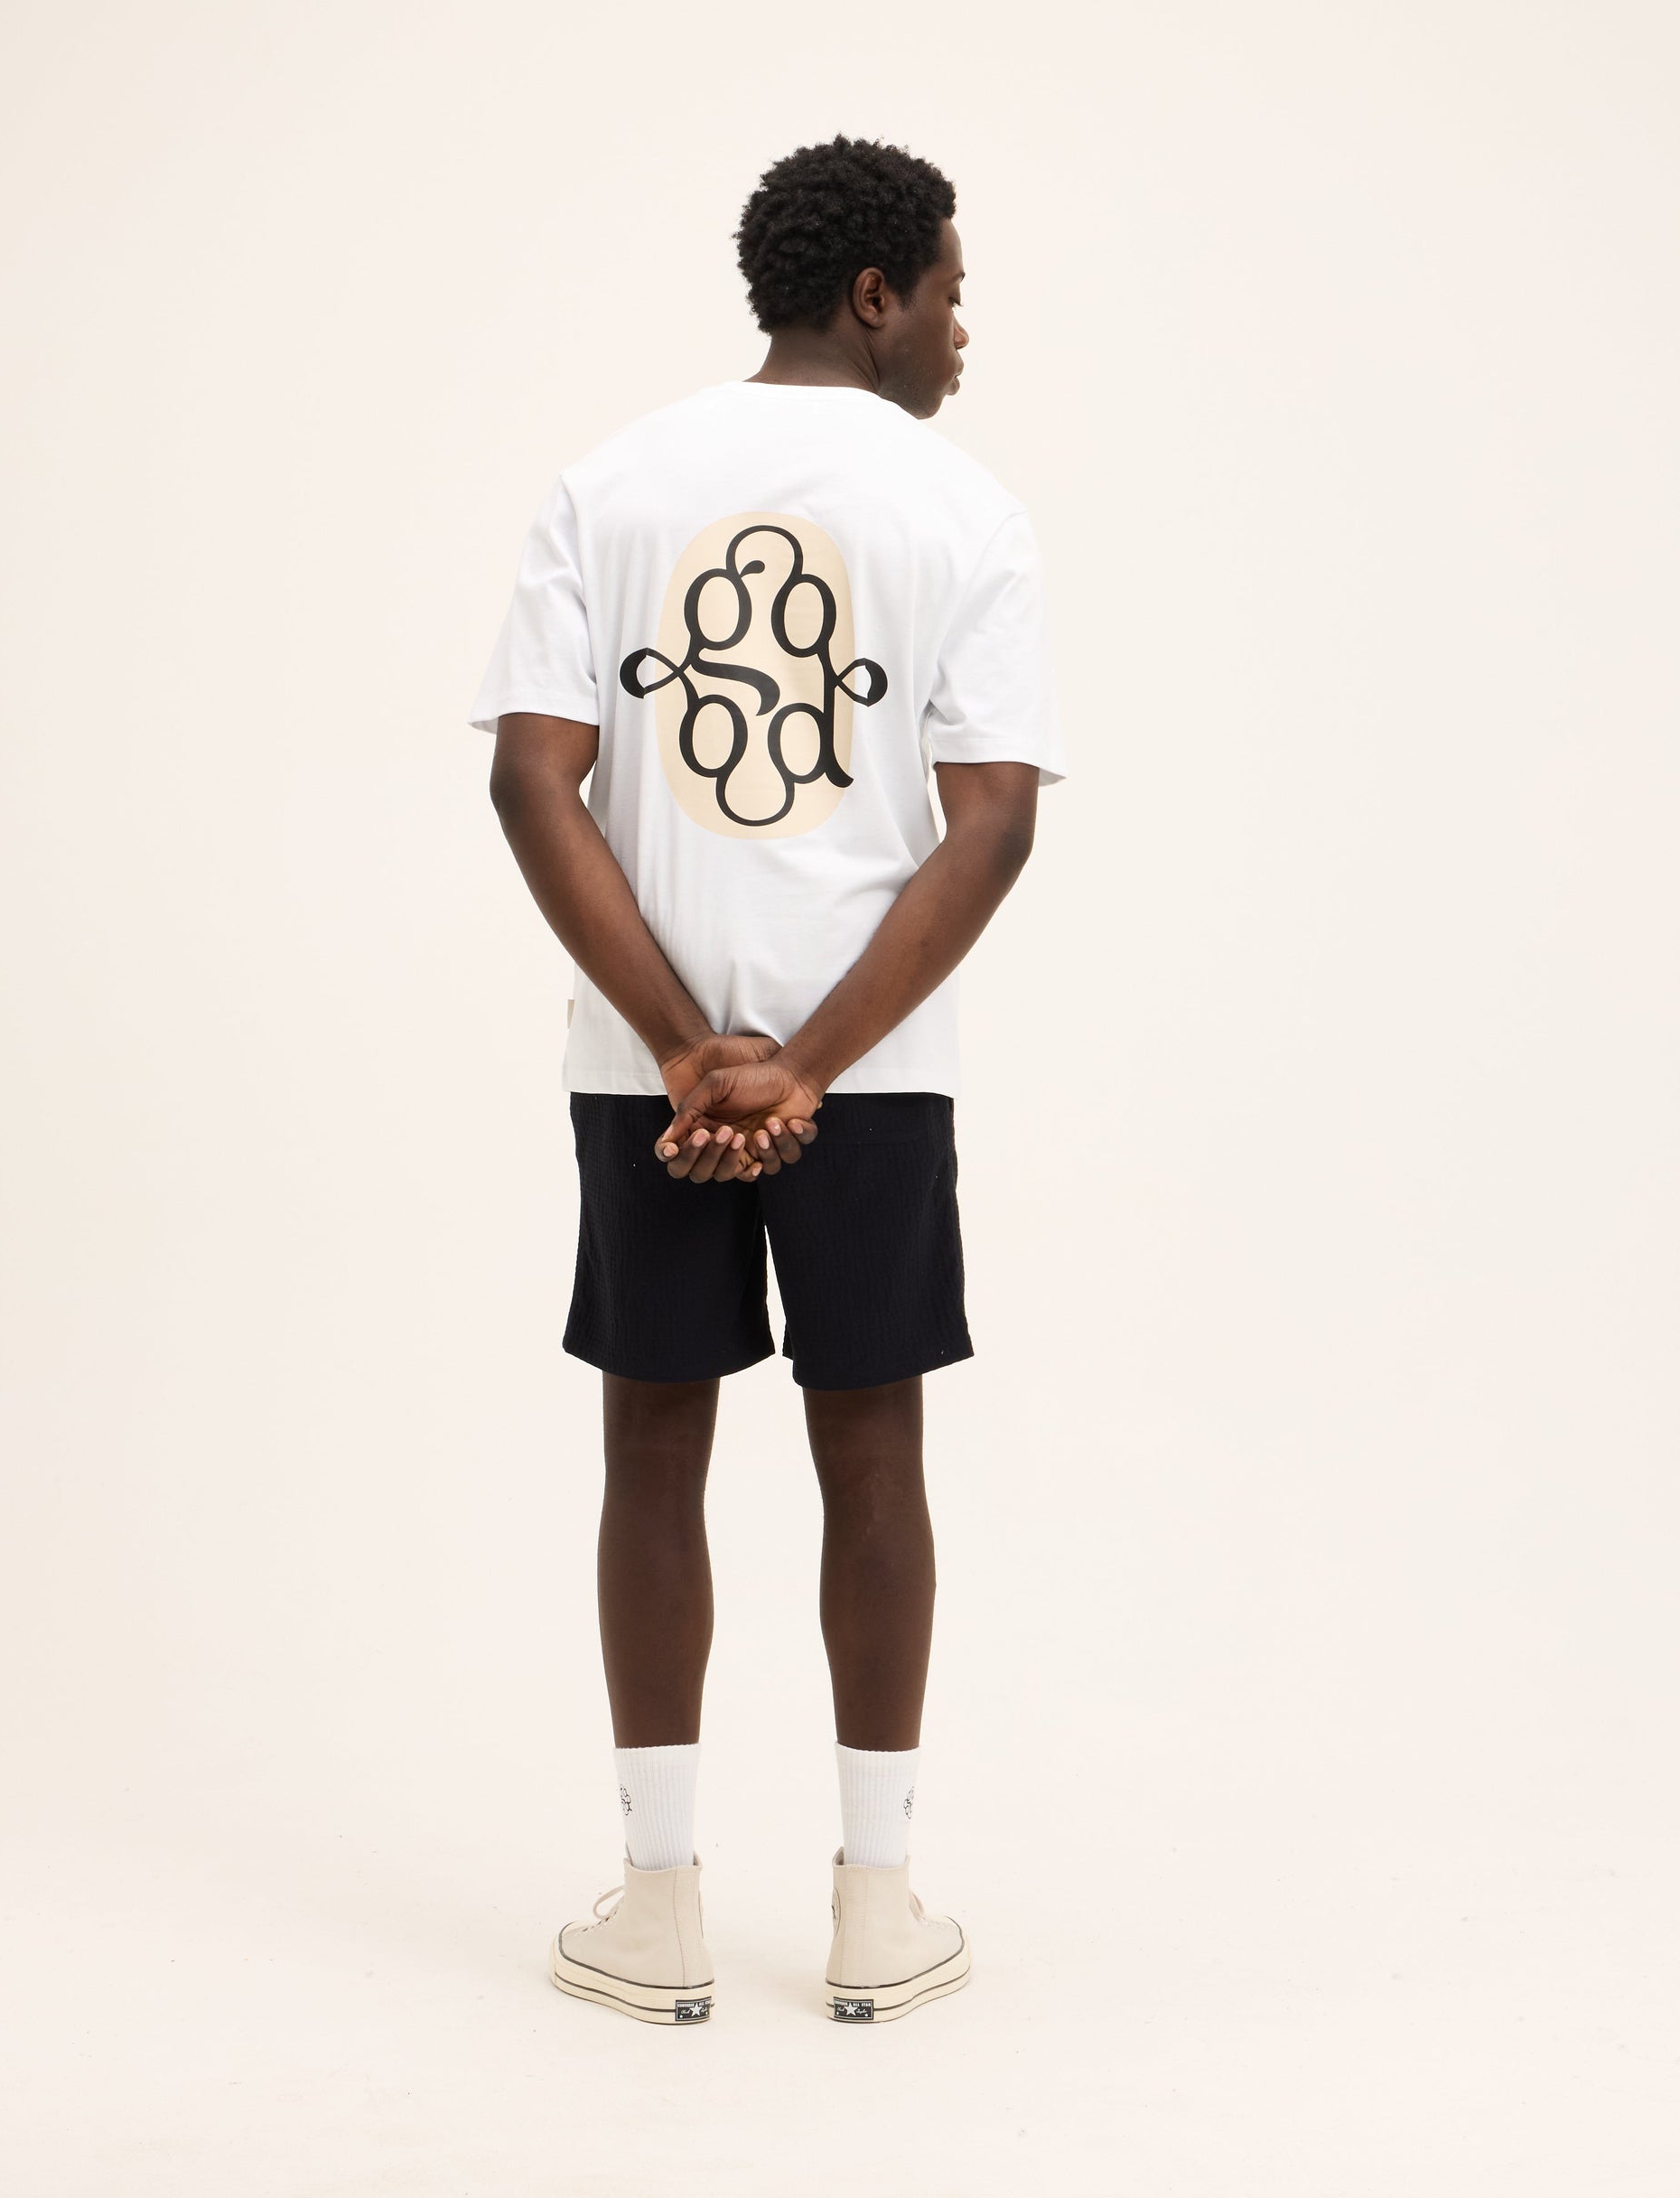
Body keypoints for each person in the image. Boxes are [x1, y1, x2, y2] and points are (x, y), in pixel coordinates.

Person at [467, 134, 1066, 2025]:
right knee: (871, 1447)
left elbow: (531, 778)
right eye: (950, 293)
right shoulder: (965, 511)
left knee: (652, 1442)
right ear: (873, 292)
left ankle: (656, 1908)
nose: (961, 331)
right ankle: (876, 1906)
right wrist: (803, 1066)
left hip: (643, 1070)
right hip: (867, 1075)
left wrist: (682, 1046)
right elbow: (989, 824)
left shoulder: (608, 484)